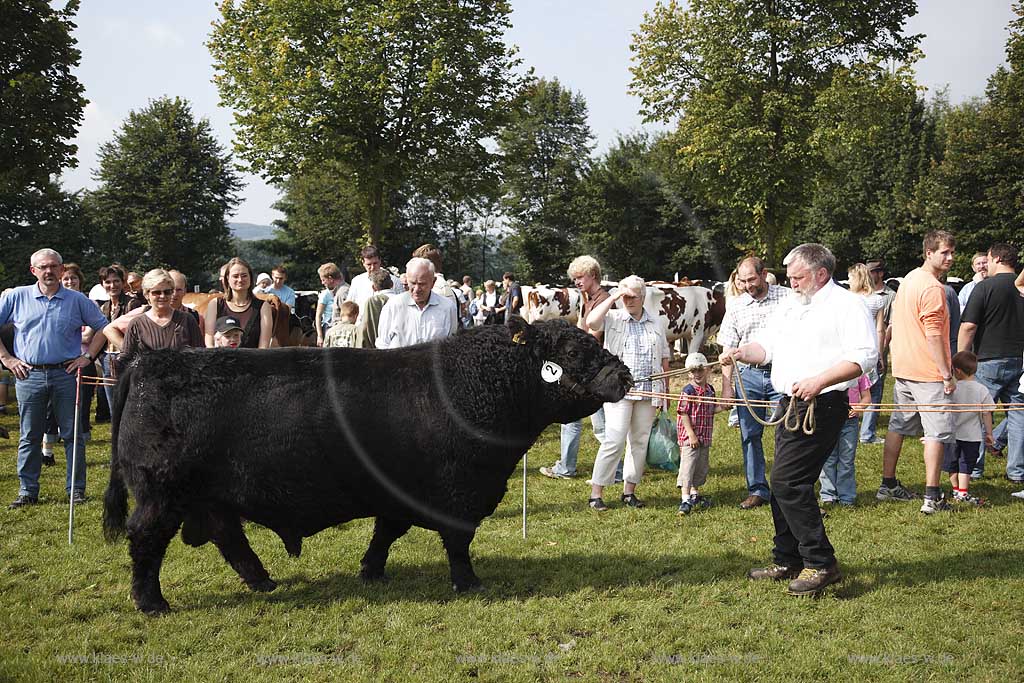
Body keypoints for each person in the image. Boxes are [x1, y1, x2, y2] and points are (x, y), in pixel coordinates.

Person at [726, 243, 877, 597]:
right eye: (790, 277)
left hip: (821, 404)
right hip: (790, 404)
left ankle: (821, 562)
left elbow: (864, 358)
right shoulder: (792, 306)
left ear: (821, 274)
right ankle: (788, 558)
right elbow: (766, 348)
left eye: (798, 277)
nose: (791, 283)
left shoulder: (847, 305)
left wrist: (818, 381)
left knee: (788, 483)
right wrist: (740, 352)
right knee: (785, 484)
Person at [0, 249, 110, 508]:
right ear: (33, 270)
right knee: (29, 435)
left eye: (53, 267)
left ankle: (76, 490)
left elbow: (104, 328)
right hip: (29, 375)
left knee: (73, 435)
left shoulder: (77, 300)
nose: (48, 271)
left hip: (66, 374)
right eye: (43, 267)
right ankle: (28, 490)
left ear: (62, 270)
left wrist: (89, 357)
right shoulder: (16, 297)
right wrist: (6, 359)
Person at [880, 230, 957, 513]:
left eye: (951, 252)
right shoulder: (932, 287)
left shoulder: (909, 279)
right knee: (936, 433)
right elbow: (934, 335)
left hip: (904, 368)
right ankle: (932, 497)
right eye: (944, 252)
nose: (950, 257)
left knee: (897, 426)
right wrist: (946, 374)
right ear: (929, 253)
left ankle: (887, 485)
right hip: (927, 372)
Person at [585, 276, 671, 511]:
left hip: (648, 390)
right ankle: (596, 493)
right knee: (613, 439)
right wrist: (613, 296)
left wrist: (664, 389)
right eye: (625, 296)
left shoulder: (656, 321)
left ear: (643, 297)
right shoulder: (613, 317)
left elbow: (664, 356)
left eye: (633, 296)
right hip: (618, 389)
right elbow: (591, 323)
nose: (629, 300)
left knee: (639, 441)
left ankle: (629, 491)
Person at [718, 256, 788, 509]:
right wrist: (727, 387)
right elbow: (727, 348)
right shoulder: (736, 305)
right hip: (748, 375)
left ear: (763, 274)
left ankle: (787, 487)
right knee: (749, 434)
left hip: (783, 372)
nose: (747, 285)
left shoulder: (787, 298)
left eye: (752, 279)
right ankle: (757, 489)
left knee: (789, 432)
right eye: (742, 281)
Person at [958, 242, 1024, 482]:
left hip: (989, 360)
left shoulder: (985, 287)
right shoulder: (1022, 286)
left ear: (996, 259)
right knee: (1019, 416)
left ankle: (974, 468)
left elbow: (968, 326)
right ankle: (1017, 472)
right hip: (1020, 360)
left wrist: (960, 359)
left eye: (988, 259)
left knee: (976, 414)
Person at [540, 255, 610, 481]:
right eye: (575, 278)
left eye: (580, 277)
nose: (577, 282)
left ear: (593, 275)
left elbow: (592, 337)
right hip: (584, 368)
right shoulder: (588, 299)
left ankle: (614, 470)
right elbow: (580, 331)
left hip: (595, 371)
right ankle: (567, 467)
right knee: (573, 418)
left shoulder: (603, 300)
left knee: (601, 426)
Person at [41, 263, 98, 463]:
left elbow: (93, 332)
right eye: (66, 279)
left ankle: (78, 439)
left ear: (80, 280)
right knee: (49, 410)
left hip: (80, 362)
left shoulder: (85, 302)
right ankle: (47, 450)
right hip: (53, 365)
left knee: (79, 405)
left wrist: (86, 355)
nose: (69, 282)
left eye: (73, 279)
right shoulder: (50, 301)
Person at [107, 269, 204, 361]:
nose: (162, 296)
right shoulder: (136, 324)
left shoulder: (187, 319)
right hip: (147, 377)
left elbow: (201, 356)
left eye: (167, 292)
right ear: (146, 294)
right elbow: (127, 360)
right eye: (157, 292)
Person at [676, 352, 726, 514]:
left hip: (704, 435)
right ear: (688, 373)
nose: (697, 374)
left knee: (701, 466)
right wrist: (691, 434)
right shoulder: (688, 391)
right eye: (693, 371)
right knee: (688, 465)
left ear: (707, 370)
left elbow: (711, 410)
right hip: (690, 436)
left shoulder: (710, 390)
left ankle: (694, 492)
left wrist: (723, 407)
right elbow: (683, 413)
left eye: (700, 370)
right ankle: (685, 499)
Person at [943, 351, 994, 506]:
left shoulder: (951, 388)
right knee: (965, 465)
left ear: (957, 370)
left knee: (952, 464)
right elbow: (987, 413)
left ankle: (956, 490)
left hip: (951, 435)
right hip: (972, 436)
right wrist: (989, 433)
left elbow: (942, 410)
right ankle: (963, 493)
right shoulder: (982, 389)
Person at [375, 257, 458, 349]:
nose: (417, 289)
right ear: (407, 280)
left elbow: (451, 345)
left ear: (433, 282)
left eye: (422, 284)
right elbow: (382, 344)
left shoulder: (447, 307)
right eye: (413, 283)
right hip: (399, 362)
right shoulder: (393, 305)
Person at [818, 372, 872, 508]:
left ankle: (846, 498)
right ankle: (828, 495)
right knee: (828, 459)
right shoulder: (828, 372)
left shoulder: (859, 373)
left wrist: (858, 408)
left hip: (850, 423)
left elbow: (866, 398)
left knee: (847, 460)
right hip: (829, 420)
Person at [860, 259, 897, 444]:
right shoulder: (870, 298)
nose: (868, 275)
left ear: (880, 273)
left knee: (873, 389)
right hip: (871, 350)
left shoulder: (890, 295)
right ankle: (865, 432)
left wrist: (882, 349)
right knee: (869, 390)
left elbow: (890, 325)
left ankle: (866, 430)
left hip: (878, 348)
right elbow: (879, 328)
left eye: (872, 271)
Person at [205, 257, 274, 349]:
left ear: (250, 277)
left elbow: (263, 346)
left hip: (252, 361)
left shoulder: (263, 307)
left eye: (244, 275)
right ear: (227, 278)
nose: (240, 280)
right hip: (220, 361)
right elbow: (209, 342)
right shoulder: (215, 304)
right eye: (235, 276)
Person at [97, 264, 132, 411]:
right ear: (102, 284)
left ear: (123, 282)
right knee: (113, 404)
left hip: (125, 357)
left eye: (116, 281)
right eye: (108, 282)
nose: (112, 285)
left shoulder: (132, 303)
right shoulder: (104, 307)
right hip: (107, 358)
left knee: (128, 400)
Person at [346, 245, 398, 314]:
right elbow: (350, 305)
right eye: (369, 264)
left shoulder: (394, 281)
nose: (373, 267)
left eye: (375, 263)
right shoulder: (357, 282)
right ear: (363, 263)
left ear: (380, 261)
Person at [358, 268, 394, 349]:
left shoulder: (373, 302)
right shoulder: (402, 300)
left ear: (373, 287)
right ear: (392, 284)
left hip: (377, 348)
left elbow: (365, 327)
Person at [315, 262, 346, 347]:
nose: (322, 283)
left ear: (330, 278)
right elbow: (318, 315)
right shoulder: (335, 292)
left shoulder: (342, 293)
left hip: (339, 332)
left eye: (323, 280)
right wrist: (320, 335)